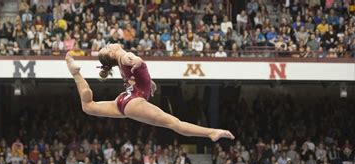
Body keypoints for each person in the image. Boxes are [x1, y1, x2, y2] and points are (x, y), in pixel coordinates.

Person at [65, 45, 234, 141]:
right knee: (174, 123)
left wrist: (148, 82)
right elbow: (133, 60)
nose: (110, 44)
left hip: (125, 99)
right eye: (108, 46)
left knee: (88, 106)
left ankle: (76, 74)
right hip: (134, 100)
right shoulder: (124, 56)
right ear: (111, 53)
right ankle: (211, 132)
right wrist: (137, 61)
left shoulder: (120, 61)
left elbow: (134, 78)